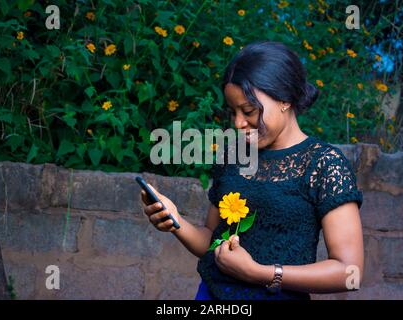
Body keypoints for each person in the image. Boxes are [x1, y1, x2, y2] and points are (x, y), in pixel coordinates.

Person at [141, 41, 364, 300]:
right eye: (233, 112)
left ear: (285, 99)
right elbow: (211, 242)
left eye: (248, 110)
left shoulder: (324, 164)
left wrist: (260, 273)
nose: (238, 123)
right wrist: (174, 221)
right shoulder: (234, 156)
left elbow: (350, 272)